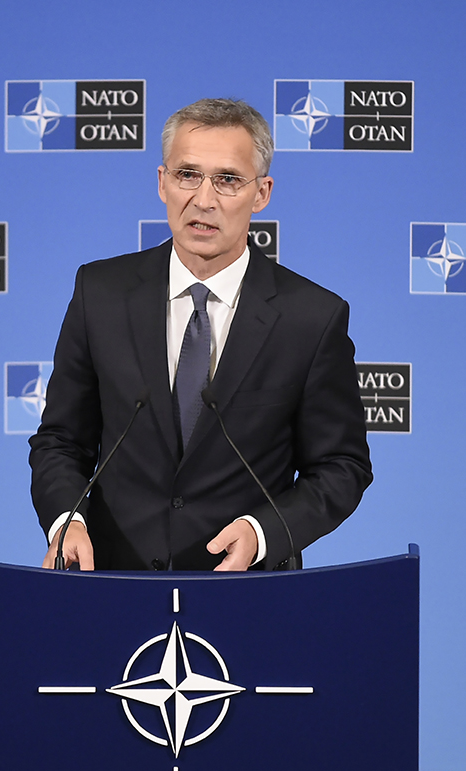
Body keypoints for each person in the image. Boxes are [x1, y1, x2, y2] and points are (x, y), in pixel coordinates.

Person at [29, 98, 372, 573]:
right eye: (187, 175)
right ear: (162, 182)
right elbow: (61, 441)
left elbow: (341, 467)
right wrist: (68, 520)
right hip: (112, 586)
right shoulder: (100, 294)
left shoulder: (311, 318)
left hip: (246, 596)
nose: (203, 199)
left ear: (262, 193)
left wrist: (264, 532)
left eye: (228, 179)